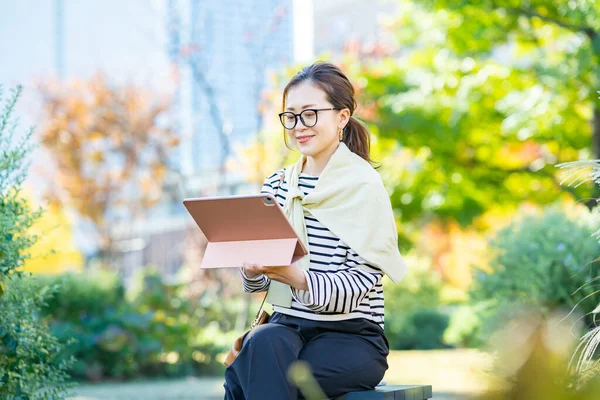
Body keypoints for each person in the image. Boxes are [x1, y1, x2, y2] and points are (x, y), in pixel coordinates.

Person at [224, 61, 408, 399]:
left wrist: (296, 277)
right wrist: (251, 269)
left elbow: (359, 285)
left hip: (352, 335)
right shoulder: (277, 185)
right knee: (262, 345)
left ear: (342, 117)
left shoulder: (364, 187)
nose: (298, 126)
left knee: (257, 378)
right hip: (287, 324)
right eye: (290, 116)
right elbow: (261, 284)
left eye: (310, 114)